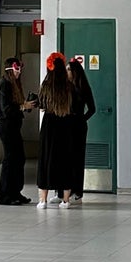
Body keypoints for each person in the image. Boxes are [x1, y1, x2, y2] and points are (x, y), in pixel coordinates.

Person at [36, 52, 75, 208]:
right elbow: (74, 106)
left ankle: (43, 200)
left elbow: (41, 104)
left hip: (49, 125)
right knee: (66, 159)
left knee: (46, 159)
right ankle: (65, 200)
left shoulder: (46, 85)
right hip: (66, 124)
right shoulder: (69, 86)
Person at [0, 56, 31, 206]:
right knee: (10, 160)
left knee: (19, 158)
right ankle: (5, 195)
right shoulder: (4, 84)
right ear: (10, 69)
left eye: (20, 69)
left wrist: (25, 106)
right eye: (17, 68)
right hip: (6, 126)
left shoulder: (14, 84)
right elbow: (6, 109)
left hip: (14, 126)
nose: (19, 71)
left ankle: (16, 192)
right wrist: (22, 106)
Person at [64, 55, 97, 205]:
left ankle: (77, 191)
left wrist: (81, 119)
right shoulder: (65, 87)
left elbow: (92, 109)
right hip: (65, 125)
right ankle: (63, 191)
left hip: (78, 126)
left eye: (69, 69)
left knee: (77, 158)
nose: (66, 72)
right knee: (65, 158)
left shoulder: (83, 88)